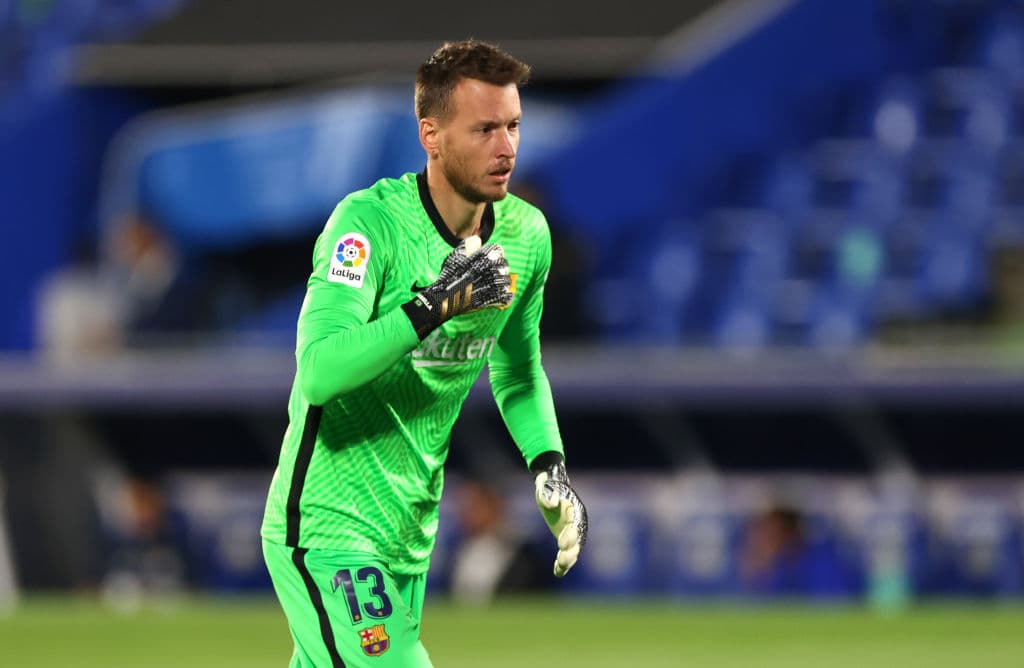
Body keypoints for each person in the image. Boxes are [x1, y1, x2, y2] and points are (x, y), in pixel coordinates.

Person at [261, 39, 588, 667]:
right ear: (431, 135)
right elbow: (320, 372)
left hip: (408, 538)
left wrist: (549, 465)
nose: (507, 147)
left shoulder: (526, 236)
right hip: (328, 526)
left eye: (514, 125)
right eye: (485, 128)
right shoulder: (368, 226)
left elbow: (517, 372)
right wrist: (433, 305)